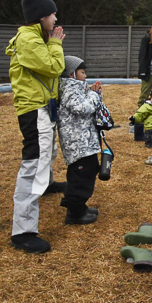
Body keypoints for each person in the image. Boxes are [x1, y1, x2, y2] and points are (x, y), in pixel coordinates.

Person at [6, 0, 65, 253]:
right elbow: (53, 67)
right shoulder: (29, 40)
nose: (55, 19)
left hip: (42, 107)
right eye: (52, 14)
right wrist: (56, 44)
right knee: (34, 162)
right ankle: (23, 231)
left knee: (47, 151)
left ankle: (47, 183)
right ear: (41, 16)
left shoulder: (37, 38)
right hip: (34, 109)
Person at [56, 56, 102, 225]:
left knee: (89, 170)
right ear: (71, 74)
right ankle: (74, 212)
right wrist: (93, 95)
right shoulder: (70, 89)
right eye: (82, 72)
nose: (85, 75)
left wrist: (93, 93)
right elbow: (83, 108)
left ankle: (81, 206)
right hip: (78, 144)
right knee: (81, 175)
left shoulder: (77, 88)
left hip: (85, 142)